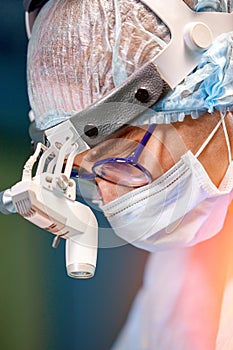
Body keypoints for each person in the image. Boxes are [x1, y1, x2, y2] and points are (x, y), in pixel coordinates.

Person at [20, 0, 233, 348]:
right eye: (85, 175)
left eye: (118, 163)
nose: (107, 200)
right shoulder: (179, 279)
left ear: (213, 79)